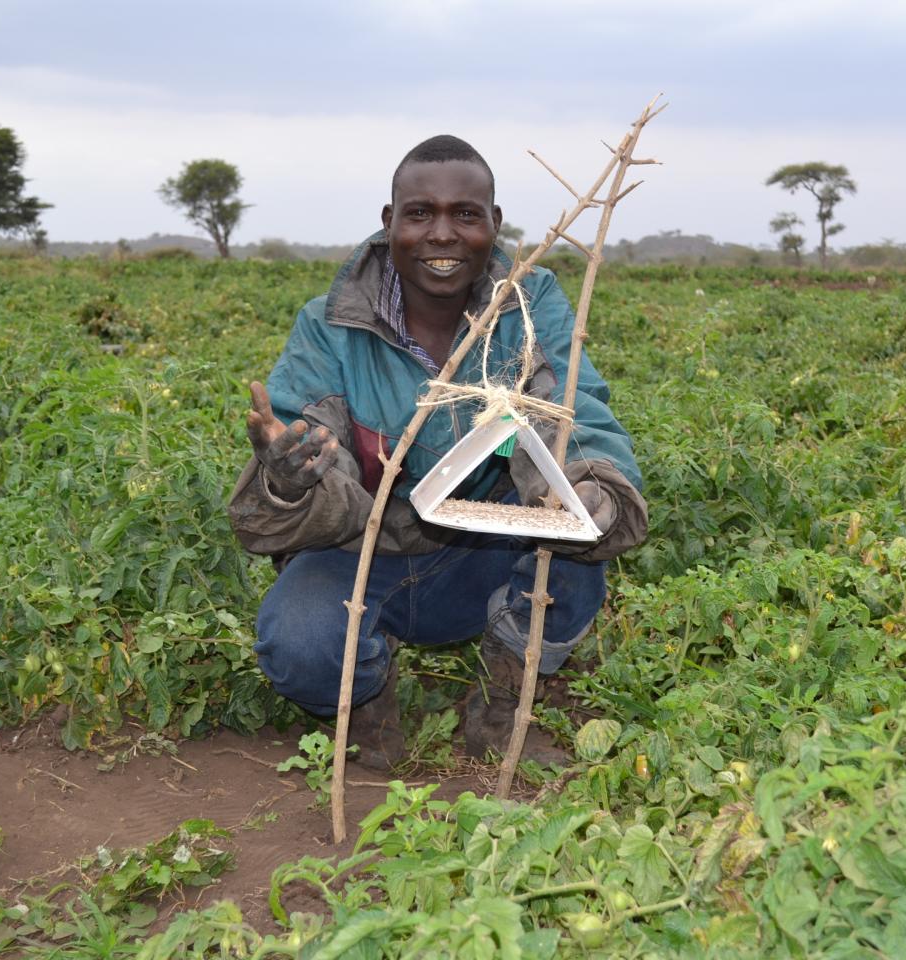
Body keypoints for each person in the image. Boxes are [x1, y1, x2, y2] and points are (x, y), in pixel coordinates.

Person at [227, 135, 647, 770]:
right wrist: (287, 479)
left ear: (494, 225)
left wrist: (587, 488)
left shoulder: (529, 309)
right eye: (420, 213)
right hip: (361, 559)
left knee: (572, 548)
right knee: (300, 645)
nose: (443, 234)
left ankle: (504, 702)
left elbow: (573, 409)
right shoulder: (330, 326)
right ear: (389, 222)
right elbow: (303, 438)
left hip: (480, 558)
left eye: (465, 215)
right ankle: (368, 700)